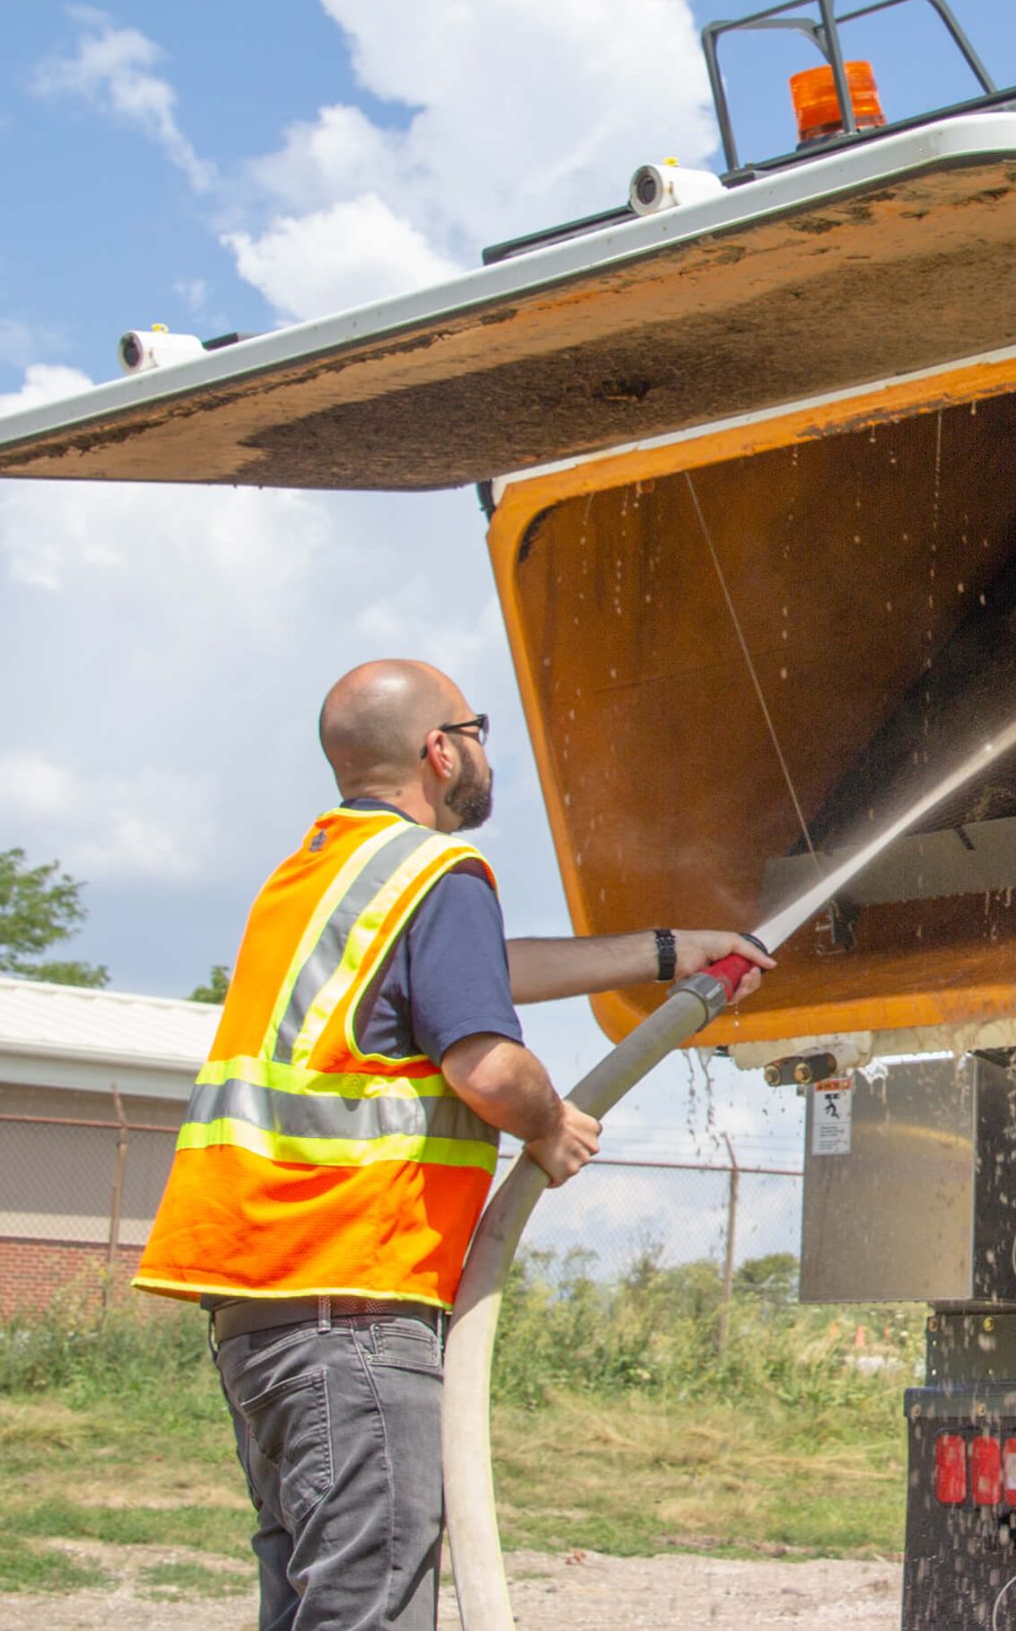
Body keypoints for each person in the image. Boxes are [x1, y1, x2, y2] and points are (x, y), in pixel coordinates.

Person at [134, 659, 773, 1631]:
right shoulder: (439, 875)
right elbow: (483, 1063)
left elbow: (479, 971)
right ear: (441, 749)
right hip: (353, 1301)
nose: (483, 751)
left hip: (266, 1308)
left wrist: (665, 952)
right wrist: (551, 1122)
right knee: (368, 1605)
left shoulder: (323, 874)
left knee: (311, 1595)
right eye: (474, 730)